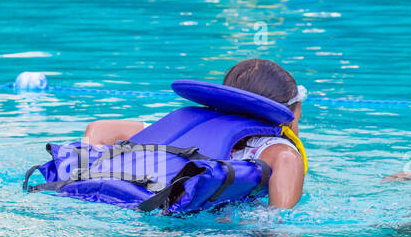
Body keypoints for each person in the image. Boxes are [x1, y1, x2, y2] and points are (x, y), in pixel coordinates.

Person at [81, 58, 308, 209]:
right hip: (207, 224)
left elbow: (98, 129)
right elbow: (277, 217)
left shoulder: (188, 127)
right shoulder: (276, 149)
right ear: (290, 113)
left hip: (132, 196)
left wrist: (92, 161)